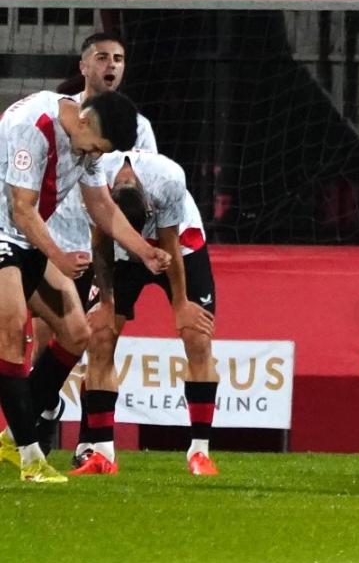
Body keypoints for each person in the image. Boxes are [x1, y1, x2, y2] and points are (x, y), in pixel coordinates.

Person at [0, 90, 169, 482]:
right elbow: (22, 208)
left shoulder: (84, 140)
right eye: (96, 147)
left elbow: (101, 205)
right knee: (11, 333)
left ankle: (13, 436)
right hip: (6, 233)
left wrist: (144, 250)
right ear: (86, 121)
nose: (93, 155)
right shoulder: (35, 128)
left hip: (27, 238)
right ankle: (30, 458)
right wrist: (59, 256)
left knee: (78, 334)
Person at [37, 31, 158, 459]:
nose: (112, 65)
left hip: (102, 248)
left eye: (119, 58)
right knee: (46, 338)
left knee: (99, 339)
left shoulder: (137, 127)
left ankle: (93, 443)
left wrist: (134, 248)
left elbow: (137, 192)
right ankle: (42, 419)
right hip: (53, 239)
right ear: (84, 66)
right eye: (103, 57)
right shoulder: (60, 114)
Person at [70, 150, 217, 476]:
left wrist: (180, 305)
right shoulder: (96, 177)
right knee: (100, 338)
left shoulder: (167, 178)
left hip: (180, 247)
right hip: (121, 256)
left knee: (197, 338)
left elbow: (169, 248)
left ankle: (200, 453)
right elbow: (101, 245)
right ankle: (103, 453)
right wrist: (106, 305)